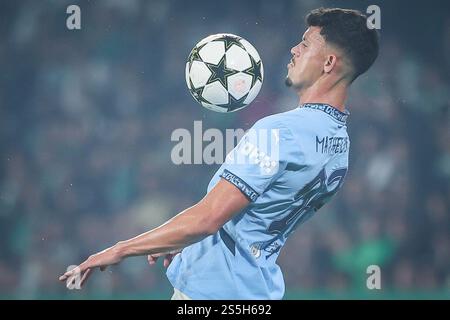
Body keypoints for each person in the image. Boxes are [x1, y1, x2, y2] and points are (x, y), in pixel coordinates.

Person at [59, 7, 379, 299]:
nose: (294, 50)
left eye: (306, 44)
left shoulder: (281, 131)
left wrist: (121, 249)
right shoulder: (339, 145)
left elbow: (209, 219)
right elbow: (254, 219)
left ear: (328, 63)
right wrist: (189, 245)